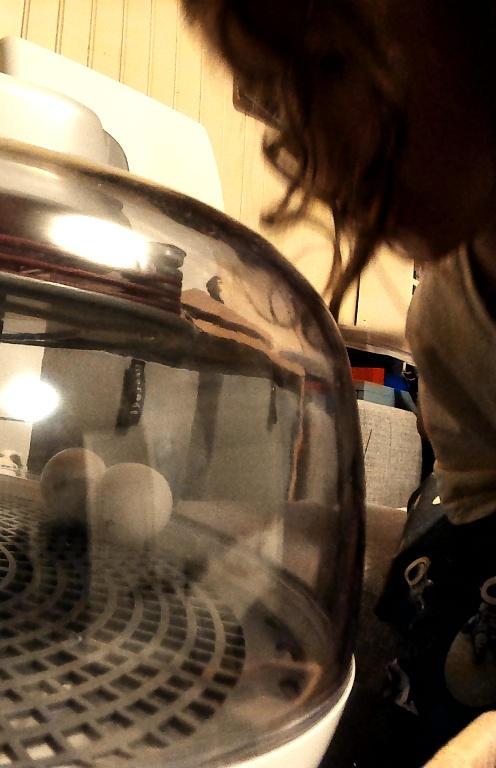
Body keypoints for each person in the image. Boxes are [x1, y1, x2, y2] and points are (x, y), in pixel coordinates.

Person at [177, 0, 496, 763]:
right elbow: (469, 531)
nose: (312, 159)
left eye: (331, 64)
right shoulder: (449, 316)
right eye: (277, 100)